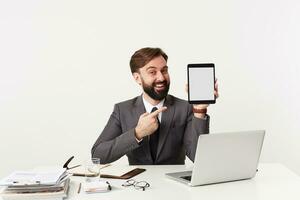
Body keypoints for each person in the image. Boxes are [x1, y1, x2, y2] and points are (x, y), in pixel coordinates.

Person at [91, 47, 218, 165]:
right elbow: (98, 155)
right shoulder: (122, 110)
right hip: (137, 185)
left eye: (164, 70)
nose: (161, 77)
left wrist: (199, 110)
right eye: (152, 72)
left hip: (175, 186)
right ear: (137, 78)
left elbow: (200, 158)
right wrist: (137, 133)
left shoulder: (185, 108)